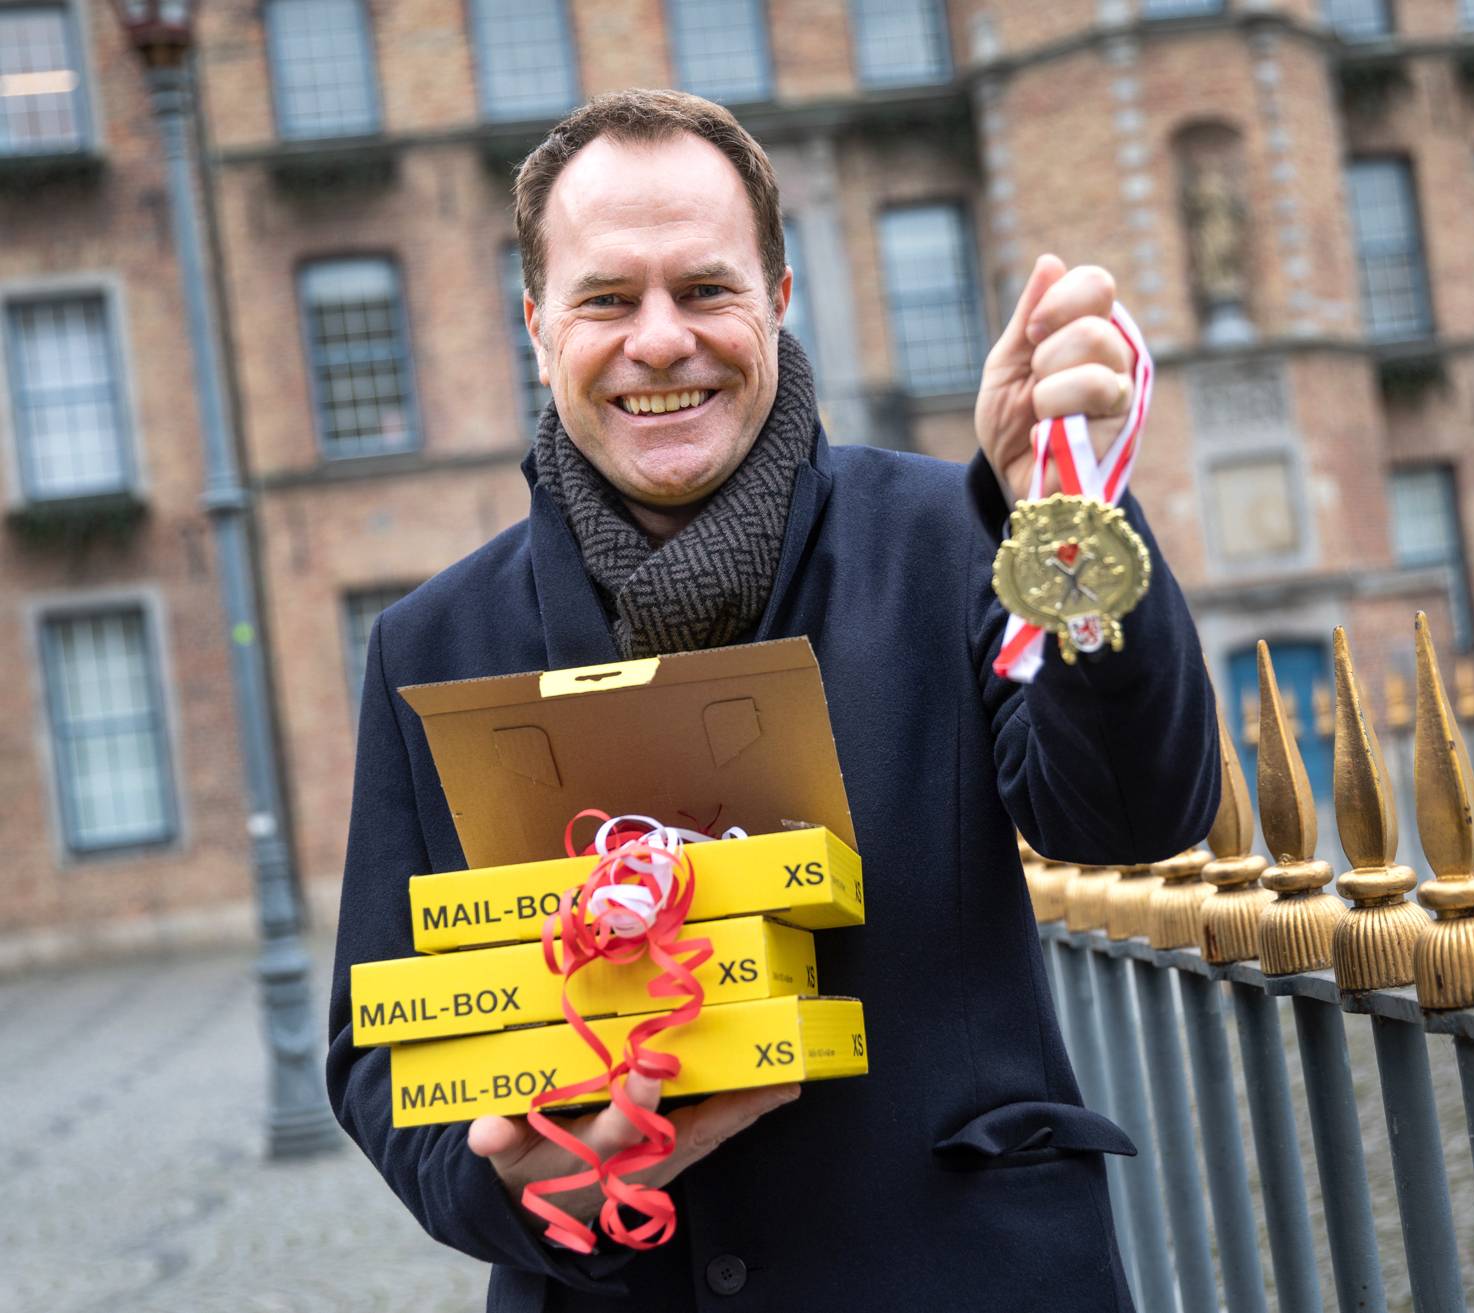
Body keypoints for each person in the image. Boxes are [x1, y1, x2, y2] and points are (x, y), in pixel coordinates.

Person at [327, 88, 1219, 1312]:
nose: (658, 340)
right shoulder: (429, 641)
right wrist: (533, 1189)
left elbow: (1130, 814)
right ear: (537, 326)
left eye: (704, 290)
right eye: (605, 298)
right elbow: (378, 1046)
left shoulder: (957, 536)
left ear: (779, 301)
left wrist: (1066, 518)